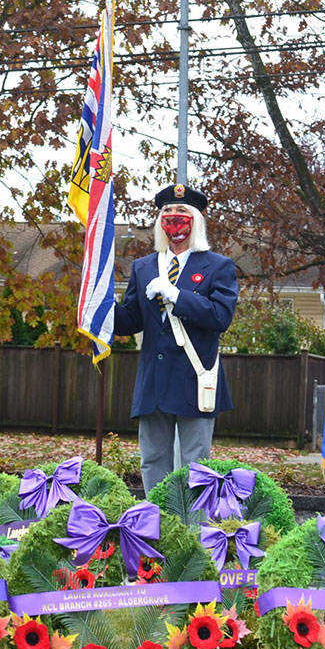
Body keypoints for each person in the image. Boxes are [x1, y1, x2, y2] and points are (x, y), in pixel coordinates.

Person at [115, 183, 239, 492]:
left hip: (194, 382)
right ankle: (158, 530)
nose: (173, 217)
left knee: (196, 467)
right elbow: (131, 320)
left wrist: (177, 295)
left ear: (196, 219)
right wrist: (99, 307)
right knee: (153, 460)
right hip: (153, 383)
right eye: (166, 211)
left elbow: (219, 317)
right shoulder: (143, 267)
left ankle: (194, 534)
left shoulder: (218, 266)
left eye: (181, 211)